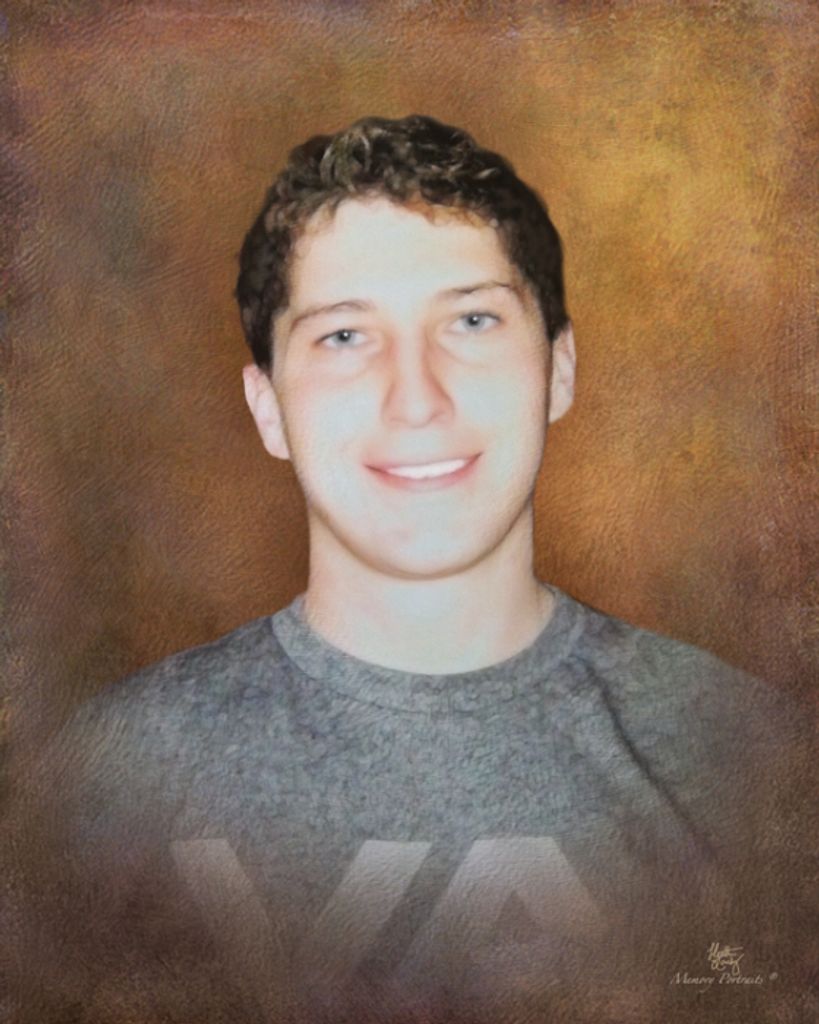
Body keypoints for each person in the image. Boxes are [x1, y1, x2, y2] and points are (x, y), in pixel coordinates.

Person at [3, 115, 815, 1024]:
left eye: (470, 320)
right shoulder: (108, 779)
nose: (416, 398)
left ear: (558, 369)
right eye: (345, 336)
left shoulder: (752, 761)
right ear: (267, 409)